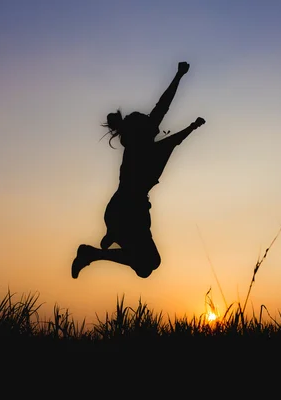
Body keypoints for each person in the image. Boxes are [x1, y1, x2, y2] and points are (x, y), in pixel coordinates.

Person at [72, 61, 206, 279]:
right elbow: (163, 110)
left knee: (146, 266)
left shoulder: (137, 148)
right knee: (150, 262)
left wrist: (191, 124)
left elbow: (164, 113)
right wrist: (179, 77)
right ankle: (96, 249)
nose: (155, 125)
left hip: (125, 210)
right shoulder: (144, 150)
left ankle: (99, 247)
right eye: (149, 124)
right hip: (129, 211)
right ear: (142, 130)